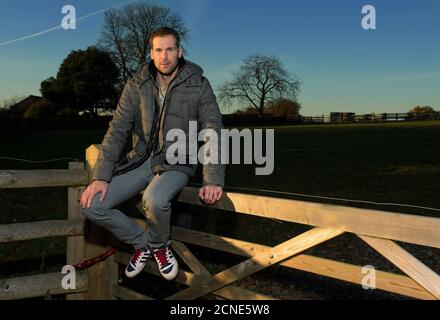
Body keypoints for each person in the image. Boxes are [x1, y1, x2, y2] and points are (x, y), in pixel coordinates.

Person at [80, 27, 224, 281]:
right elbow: (117, 130)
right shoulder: (136, 84)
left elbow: (213, 129)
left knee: (155, 199)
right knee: (92, 205)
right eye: (159, 50)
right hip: (141, 159)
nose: (164, 56)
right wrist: (100, 175)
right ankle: (142, 244)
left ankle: (159, 246)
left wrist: (212, 178)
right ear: (151, 52)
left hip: (178, 160)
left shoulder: (198, 83)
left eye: (170, 49)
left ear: (179, 52)